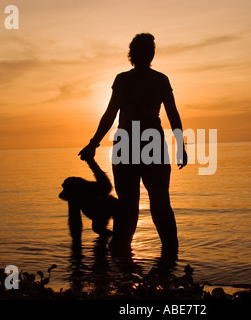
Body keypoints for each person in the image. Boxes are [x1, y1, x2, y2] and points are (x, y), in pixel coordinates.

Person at [79, 33, 187, 256]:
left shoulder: (160, 80)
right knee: (128, 205)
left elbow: (173, 114)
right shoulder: (122, 79)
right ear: (133, 53)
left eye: (149, 49)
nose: (146, 53)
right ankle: (123, 259)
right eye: (142, 49)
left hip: (149, 143)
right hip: (127, 143)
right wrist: (93, 143)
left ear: (152, 54)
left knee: (159, 203)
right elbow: (110, 114)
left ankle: (170, 257)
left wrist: (180, 145)